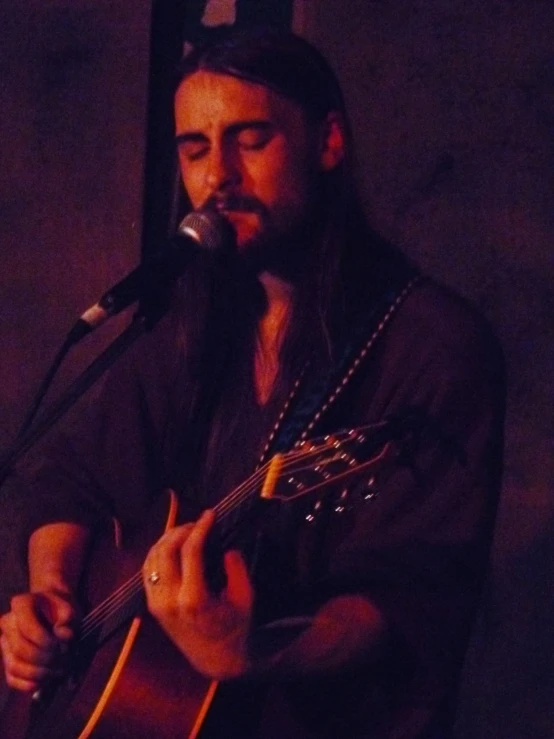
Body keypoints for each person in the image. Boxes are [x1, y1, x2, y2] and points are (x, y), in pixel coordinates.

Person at [0, 28, 504, 738]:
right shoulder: (186, 321)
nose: (218, 177)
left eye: (251, 138)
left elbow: (415, 598)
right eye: (195, 148)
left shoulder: (432, 342)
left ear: (328, 142)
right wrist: (50, 595)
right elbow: (69, 476)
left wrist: (253, 650)